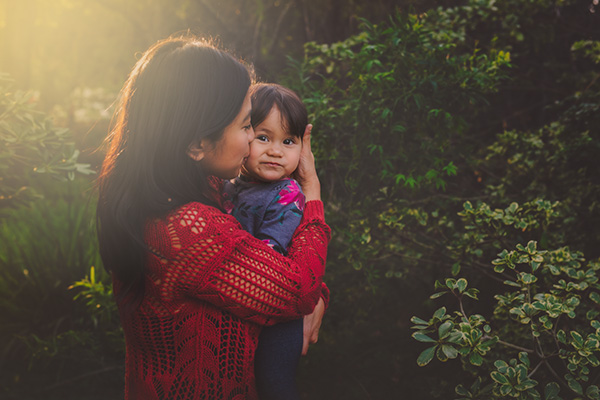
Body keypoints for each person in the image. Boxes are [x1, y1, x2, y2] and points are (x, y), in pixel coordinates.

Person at [96, 35, 329, 400]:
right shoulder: (192, 231)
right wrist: (312, 193)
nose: (253, 140)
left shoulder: (185, 195)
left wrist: (315, 294)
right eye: (246, 126)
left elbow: (272, 277)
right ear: (196, 144)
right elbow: (297, 288)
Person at [222, 83, 310, 400]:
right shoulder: (231, 184)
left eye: (289, 141)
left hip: (279, 317)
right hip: (244, 300)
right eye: (264, 137)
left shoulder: (287, 194)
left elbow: (271, 254)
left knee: (273, 383)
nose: (276, 150)